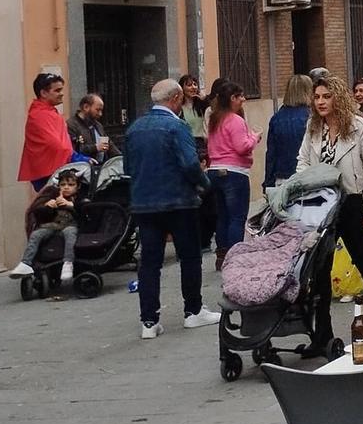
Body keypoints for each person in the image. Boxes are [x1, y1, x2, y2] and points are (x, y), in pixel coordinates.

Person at [124, 79, 213, 339]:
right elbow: (189, 164)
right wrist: (204, 185)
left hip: (144, 203)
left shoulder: (134, 129)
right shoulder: (177, 127)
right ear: (175, 98)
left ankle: (149, 322)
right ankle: (193, 311)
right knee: (189, 256)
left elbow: (128, 168)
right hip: (179, 201)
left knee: (150, 263)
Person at [295, 75, 363, 304]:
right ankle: (322, 334)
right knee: (319, 268)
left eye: (327, 96)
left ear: (339, 98)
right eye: (316, 97)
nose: (321, 102)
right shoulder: (313, 127)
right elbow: (302, 161)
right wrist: (305, 183)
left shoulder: (359, 127)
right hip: (321, 203)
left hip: (351, 201)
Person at [203, 80, 259, 267]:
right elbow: (242, 147)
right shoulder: (235, 120)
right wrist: (254, 138)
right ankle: (236, 258)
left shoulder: (215, 119)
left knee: (223, 216)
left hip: (214, 171)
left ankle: (222, 254)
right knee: (237, 217)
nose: (243, 99)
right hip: (235, 172)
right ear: (232, 98)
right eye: (240, 96)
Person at [11, 167, 86, 283]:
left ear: (78, 186)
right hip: (52, 225)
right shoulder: (52, 196)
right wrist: (48, 207)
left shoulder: (80, 199)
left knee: (70, 234)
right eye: (63, 184)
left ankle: (68, 262)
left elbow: (85, 214)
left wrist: (71, 205)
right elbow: (39, 214)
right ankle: (25, 263)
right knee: (36, 234)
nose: (66, 187)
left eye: (71, 185)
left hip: (70, 225)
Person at [18, 71, 74, 189]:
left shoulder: (48, 113)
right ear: (43, 93)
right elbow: (55, 145)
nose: (62, 94)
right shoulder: (38, 115)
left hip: (57, 170)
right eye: (57, 90)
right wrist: (75, 157)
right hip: (49, 175)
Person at [263, 73, 311, 189]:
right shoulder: (312, 117)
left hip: (282, 177)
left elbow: (271, 155)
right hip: (308, 176)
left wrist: (268, 183)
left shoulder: (277, 118)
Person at [66, 93, 110, 162]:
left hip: (101, 166)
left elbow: (110, 144)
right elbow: (72, 150)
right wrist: (95, 148)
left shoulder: (98, 125)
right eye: (97, 110)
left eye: (101, 110)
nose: (100, 114)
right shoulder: (71, 125)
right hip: (84, 167)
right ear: (86, 107)